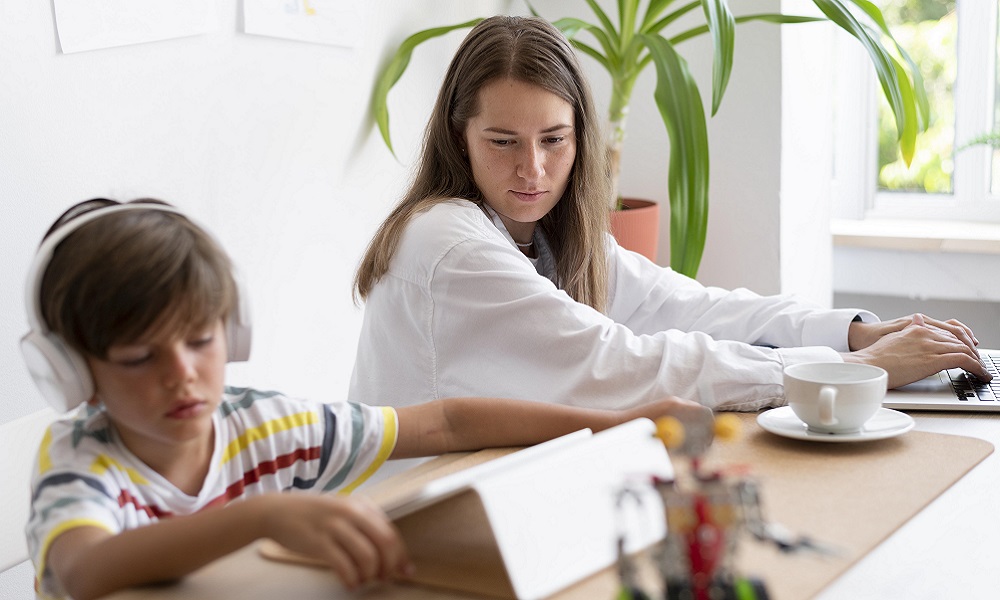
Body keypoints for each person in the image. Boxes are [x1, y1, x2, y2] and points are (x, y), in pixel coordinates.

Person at [21, 198, 712, 600]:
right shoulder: (80, 461)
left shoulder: (257, 424)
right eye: (140, 358)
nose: (182, 375)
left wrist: (617, 422)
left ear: (231, 331)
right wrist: (264, 516)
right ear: (71, 373)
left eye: (200, 340)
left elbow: (444, 420)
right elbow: (85, 570)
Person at [350, 14, 989, 413]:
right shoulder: (447, 242)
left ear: (580, 137)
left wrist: (852, 334)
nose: (534, 171)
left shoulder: (544, 235)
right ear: (457, 136)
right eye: (503, 142)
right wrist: (856, 371)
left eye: (553, 140)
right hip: (415, 525)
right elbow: (620, 362)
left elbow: (691, 308)